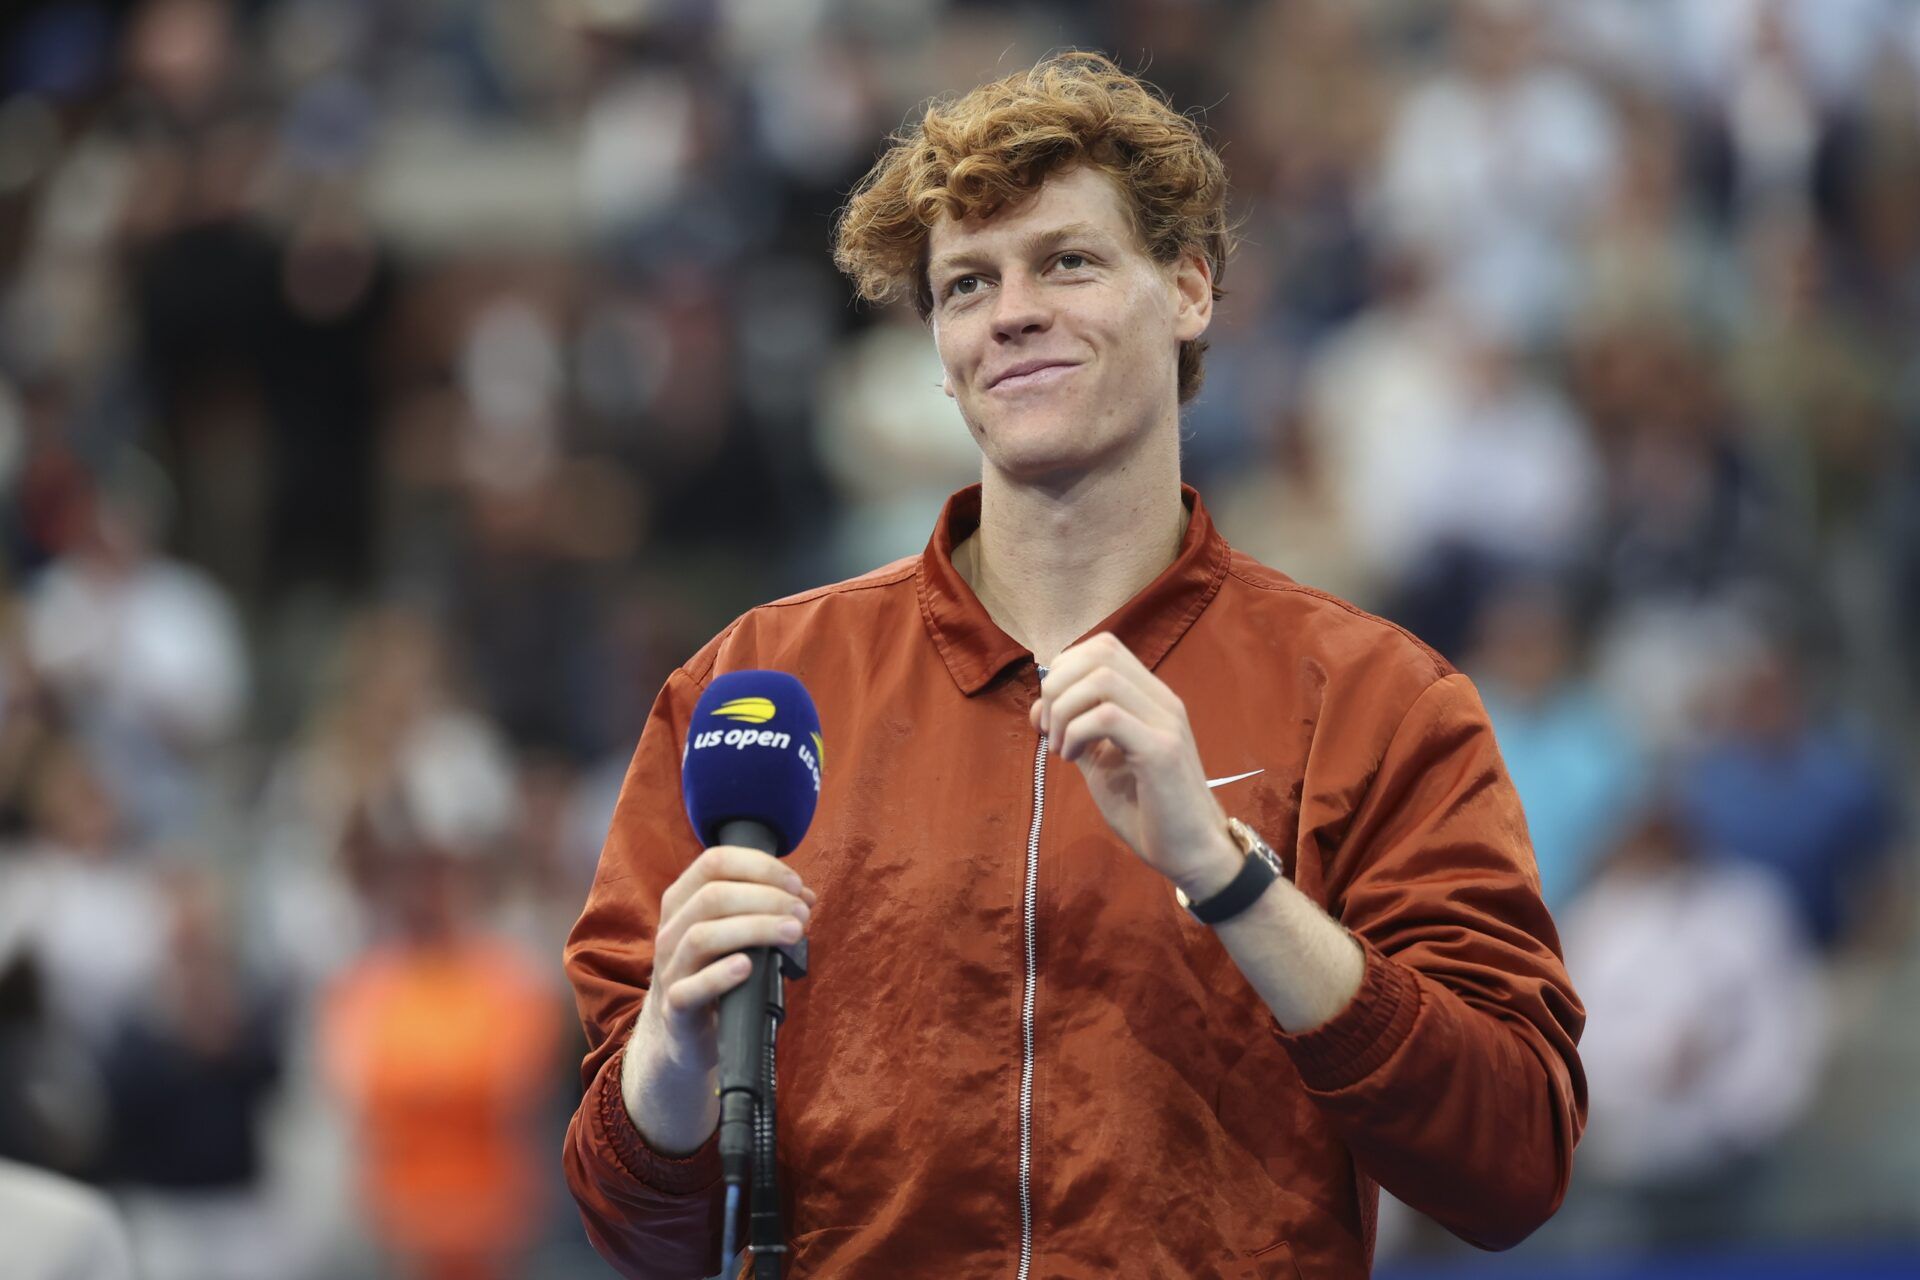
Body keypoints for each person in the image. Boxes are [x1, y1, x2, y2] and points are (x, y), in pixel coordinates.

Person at [564, 52, 1585, 1278]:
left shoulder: (1372, 698)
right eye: (966, 283)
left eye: (1069, 260)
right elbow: (638, 1231)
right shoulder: (761, 685)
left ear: (1192, 288)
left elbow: (1513, 1157)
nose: (1011, 312)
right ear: (940, 346)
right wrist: (670, 1054)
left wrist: (1229, 876)